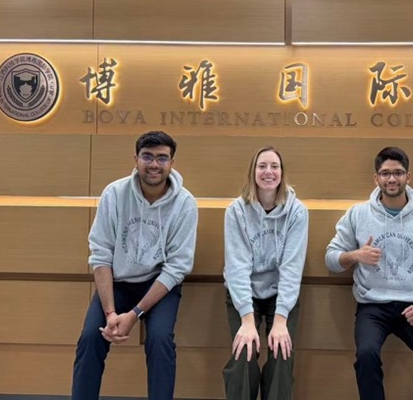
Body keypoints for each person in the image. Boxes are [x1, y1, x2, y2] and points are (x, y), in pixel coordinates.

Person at [72, 131, 198, 400]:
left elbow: (177, 267)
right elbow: (101, 254)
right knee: (90, 338)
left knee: (160, 340)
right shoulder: (115, 194)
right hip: (117, 283)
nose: (154, 164)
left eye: (162, 158)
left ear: (172, 162)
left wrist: (135, 314)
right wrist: (110, 313)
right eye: (147, 157)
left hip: (158, 285)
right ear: (136, 159)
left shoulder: (185, 203)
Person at [325, 147, 413, 400]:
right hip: (372, 306)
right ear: (376, 178)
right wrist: (355, 256)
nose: (391, 179)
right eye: (385, 173)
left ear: (408, 176)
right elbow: (331, 259)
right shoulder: (358, 214)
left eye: (398, 173)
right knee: (366, 355)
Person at [222, 146, 309, 400]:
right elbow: (237, 267)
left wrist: (281, 319)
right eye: (262, 166)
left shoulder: (297, 212)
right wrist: (247, 321)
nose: (268, 172)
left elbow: (292, 268)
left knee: (282, 355)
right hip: (243, 291)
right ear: (253, 172)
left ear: (282, 173)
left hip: (281, 293)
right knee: (243, 353)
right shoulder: (236, 211)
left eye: (274, 166)